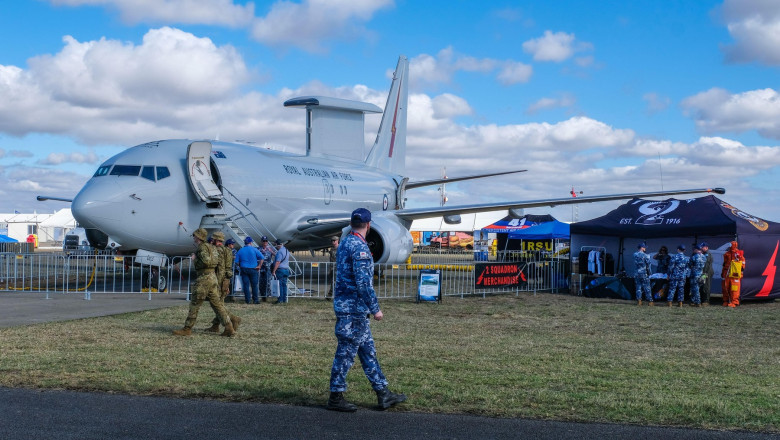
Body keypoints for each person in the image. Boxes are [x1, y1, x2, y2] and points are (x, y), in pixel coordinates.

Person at [326, 208, 406, 412]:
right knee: (345, 353)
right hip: (353, 310)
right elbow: (363, 284)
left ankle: (383, 393)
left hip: (352, 309)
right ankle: (336, 396)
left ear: (352, 224)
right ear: (369, 225)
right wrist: (376, 308)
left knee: (367, 351)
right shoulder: (360, 248)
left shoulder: (344, 243)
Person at [172, 228, 235, 337]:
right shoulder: (211, 247)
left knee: (195, 304)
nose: (194, 237)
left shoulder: (202, 248)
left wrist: (194, 259)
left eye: (195, 235)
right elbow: (215, 261)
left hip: (204, 278)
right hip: (212, 278)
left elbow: (206, 261)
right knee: (217, 305)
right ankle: (229, 327)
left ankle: (187, 329)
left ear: (199, 237)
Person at [206, 232, 241, 333]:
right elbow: (228, 269)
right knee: (219, 304)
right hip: (225, 280)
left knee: (218, 305)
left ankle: (234, 319)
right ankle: (215, 325)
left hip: (219, 281)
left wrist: (216, 283)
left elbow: (219, 269)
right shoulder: (228, 250)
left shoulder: (218, 251)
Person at [236, 236, 264, 304]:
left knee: (246, 285)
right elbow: (262, 258)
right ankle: (255, 300)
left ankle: (247, 300)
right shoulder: (254, 249)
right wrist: (259, 266)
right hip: (253, 269)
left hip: (244, 269)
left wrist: (241, 266)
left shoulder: (240, 250)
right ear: (251, 242)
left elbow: (237, 262)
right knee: (254, 285)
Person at [721, 240, 745, 308]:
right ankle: (726, 301)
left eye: (732, 245)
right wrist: (723, 272)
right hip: (727, 273)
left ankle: (734, 302)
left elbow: (743, 263)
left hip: (735, 274)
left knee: (734, 288)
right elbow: (724, 264)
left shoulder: (739, 254)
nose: (731, 246)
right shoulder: (727, 254)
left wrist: (741, 270)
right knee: (725, 287)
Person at [271, 239, 291, 304]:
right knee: (284, 285)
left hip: (280, 270)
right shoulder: (286, 250)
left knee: (279, 285)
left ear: (277, 244)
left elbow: (278, 262)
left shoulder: (280, 252)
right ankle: (284, 299)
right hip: (286, 269)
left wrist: (274, 271)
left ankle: (280, 299)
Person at [258, 236, 276, 302]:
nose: (265, 242)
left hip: (267, 268)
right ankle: (262, 295)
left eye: (266, 241)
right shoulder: (259, 248)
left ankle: (266, 296)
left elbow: (276, 255)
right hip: (260, 268)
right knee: (260, 282)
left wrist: (271, 251)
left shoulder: (271, 248)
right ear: (261, 242)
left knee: (267, 282)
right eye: (263, 241)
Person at [699, 242, 714, 306]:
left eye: (703, 247)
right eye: (701, 247)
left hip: (706, 272)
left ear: (706, 247)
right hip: (704, 272)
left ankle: (706, 300)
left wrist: (704, 274)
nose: (701, 248)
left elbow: (706, 265)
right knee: (703, 286)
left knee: (706, 286)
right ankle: (703, 299)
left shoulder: (707, 254)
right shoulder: (704, 253)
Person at [326, 236, 339, 300]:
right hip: (332, 267)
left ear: (337, 241)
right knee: (333, 281)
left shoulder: (340, 248)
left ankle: (330, 295)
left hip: (338, 267)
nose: (333, 242)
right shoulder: (332, 249)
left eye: (334, 241)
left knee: (334, 281)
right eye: (332, 241)